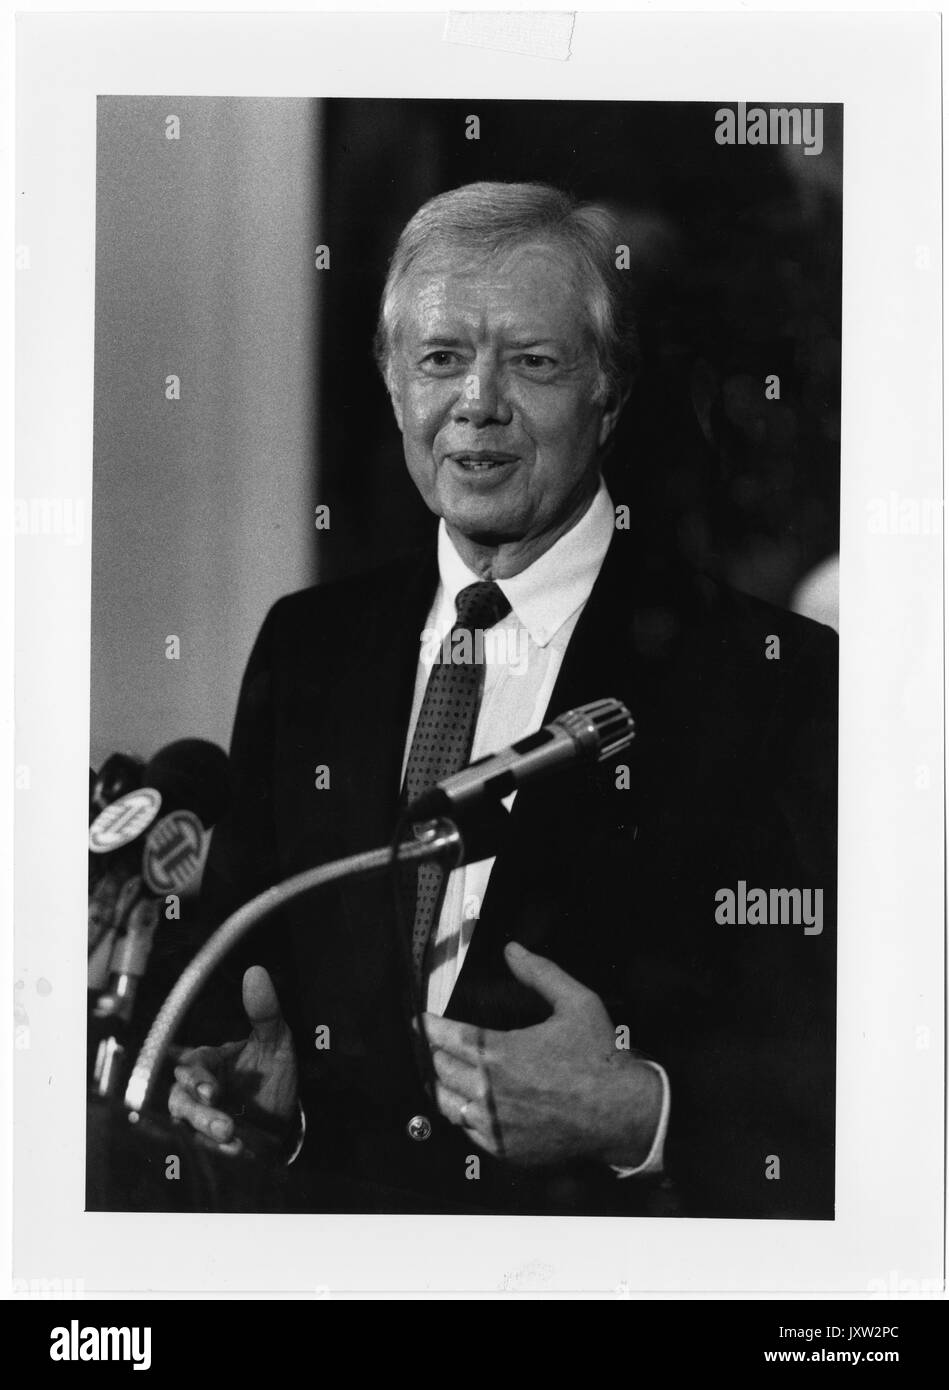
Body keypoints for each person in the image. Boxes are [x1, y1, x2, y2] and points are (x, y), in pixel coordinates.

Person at [168, 182, 837, 1217]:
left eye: (532, 361)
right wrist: (258, 1100)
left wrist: (643, 1114)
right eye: (439, 358)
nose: (477, 401)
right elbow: (239, 997)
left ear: (608, 391)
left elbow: (855, 1081)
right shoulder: (305, 650)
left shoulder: (770, 679)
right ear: (394, 388)